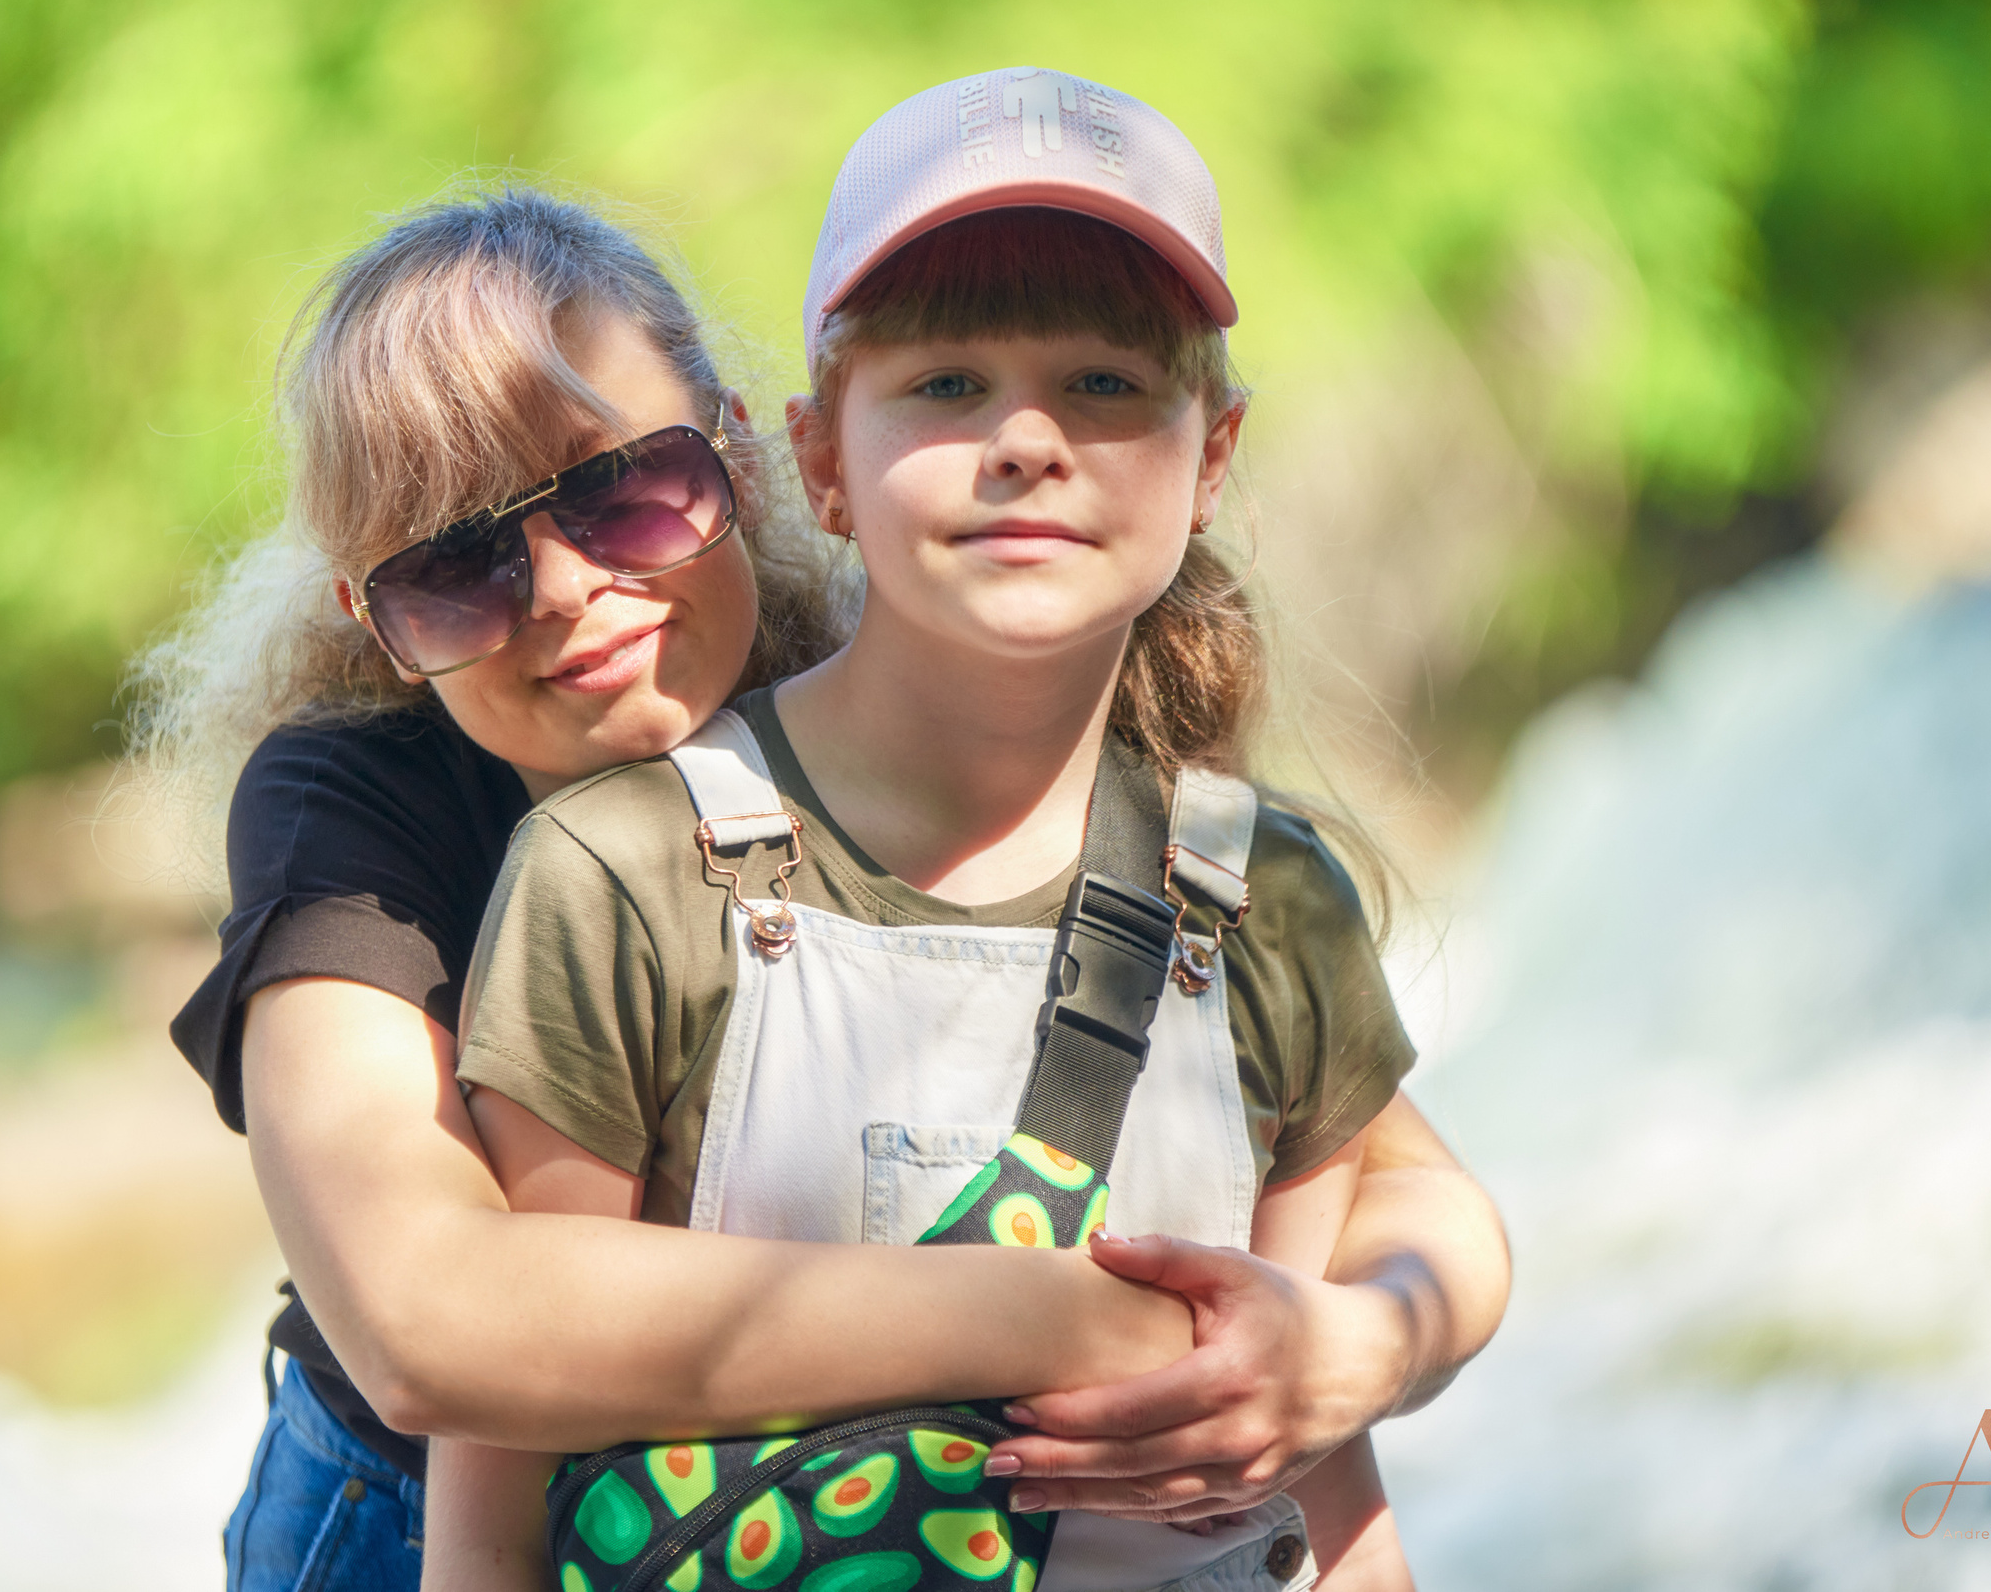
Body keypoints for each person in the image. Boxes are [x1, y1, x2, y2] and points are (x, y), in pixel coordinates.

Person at [140, 184, 1509, 1592]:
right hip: (409, 1512)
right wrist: (1079, 1323)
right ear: (373, 619)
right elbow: (429, 1321)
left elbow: (1389, 1182)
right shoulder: (352, 805)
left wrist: (1357, 1345)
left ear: (741, 456)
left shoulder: (896, 710)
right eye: (452, 568)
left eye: (621, 494)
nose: (560, 589)